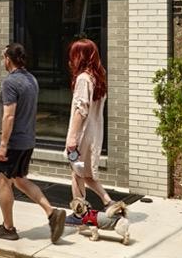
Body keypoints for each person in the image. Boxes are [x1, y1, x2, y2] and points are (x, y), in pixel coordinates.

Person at [0, 42, 67, 244]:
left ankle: (8, 228)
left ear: (8, 59)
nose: (2, 61)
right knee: (19, 179)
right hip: (28, 140)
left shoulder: (10, 82)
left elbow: (9, 116)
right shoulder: (32, 79)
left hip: (13, 142)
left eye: (3, 57)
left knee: (3, 180)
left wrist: (3, 144)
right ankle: (52, 213)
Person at [64, 38, 120, 226]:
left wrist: (72, 138)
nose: (70, 60)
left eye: (73, 55)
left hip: (81, 134)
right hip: (95, 132)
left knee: (77, 172)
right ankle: (110, 203)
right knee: (85, 173)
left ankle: (79, 213)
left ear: (79, 56)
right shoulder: (99, 76)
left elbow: (81, 109)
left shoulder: (82, 79)